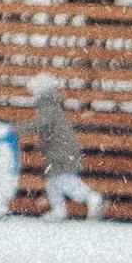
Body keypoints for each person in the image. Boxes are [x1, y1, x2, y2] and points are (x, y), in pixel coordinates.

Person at [27, 80, 100, 219]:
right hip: (59, 148)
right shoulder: (51, 106)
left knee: (62, 178)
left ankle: (90, 197)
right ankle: (59, 209)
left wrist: (12, 129)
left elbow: (39, 125)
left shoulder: (48, 107)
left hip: (61, 150)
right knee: (52, 180)